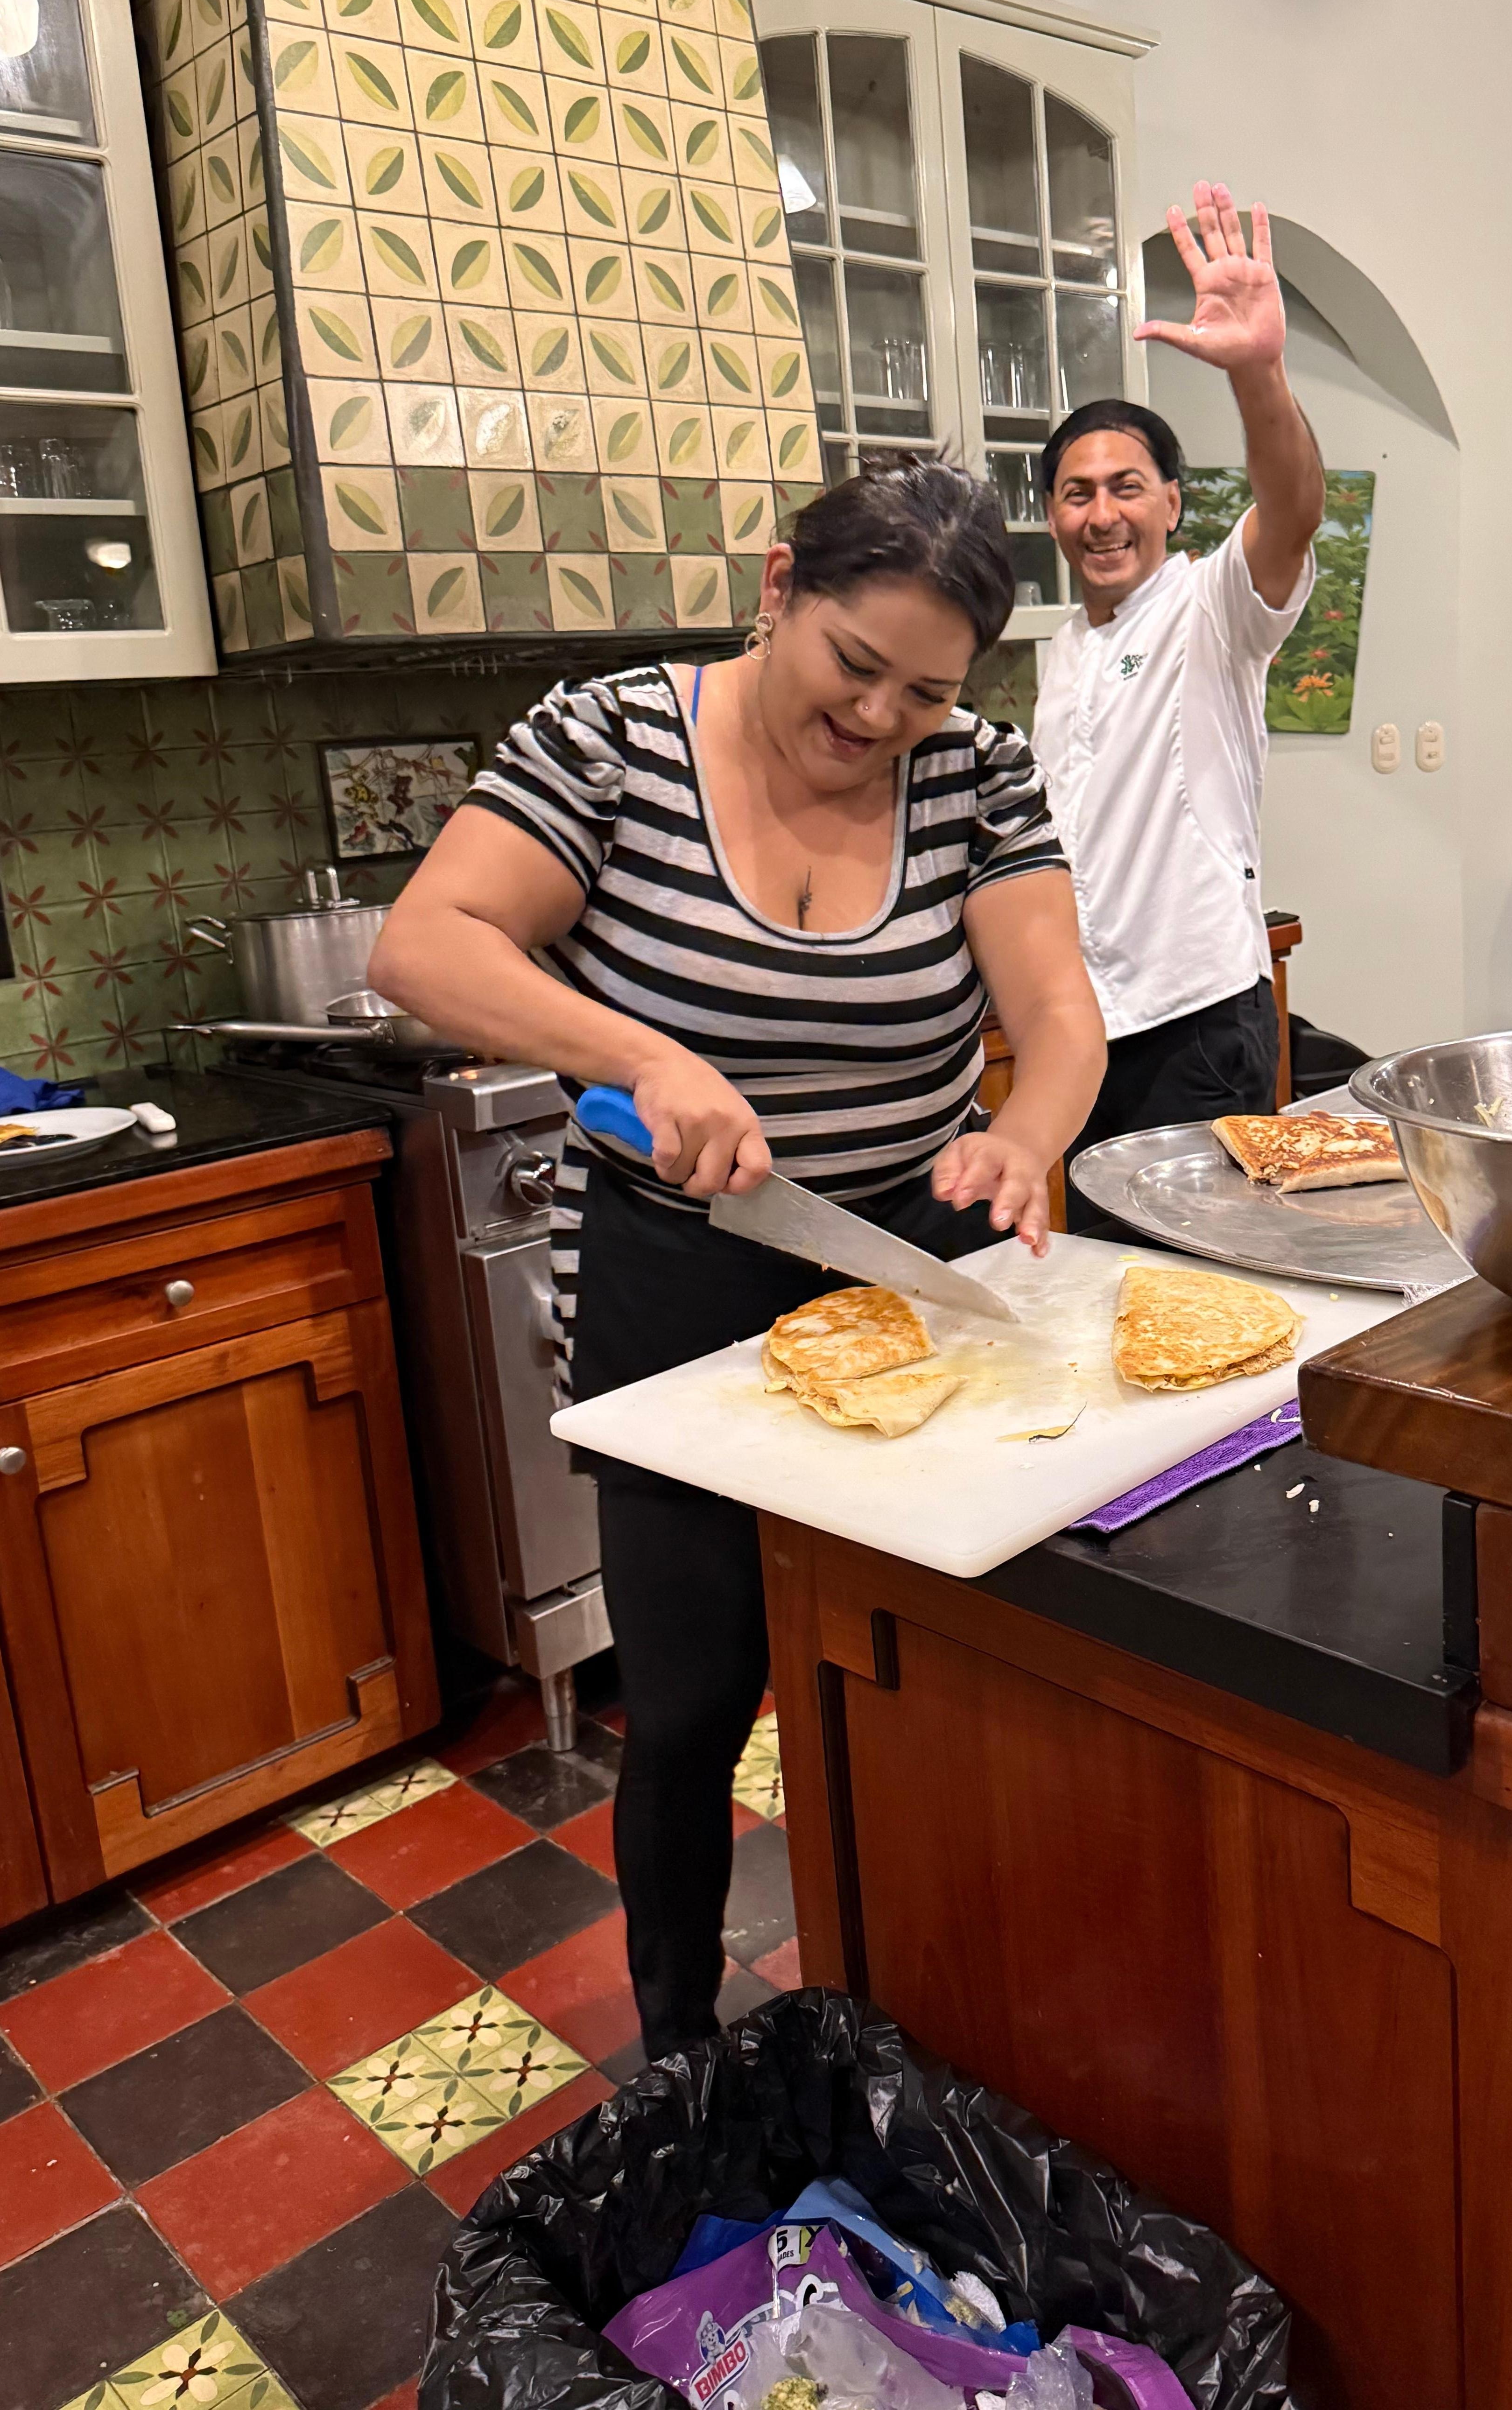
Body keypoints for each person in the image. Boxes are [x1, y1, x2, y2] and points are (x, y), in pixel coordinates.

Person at [369, 464, 1104, 2056]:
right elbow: (423, 943)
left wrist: (1027, 1134)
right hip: (678, 1276)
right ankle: (680, 2051)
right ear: (779, 588)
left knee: (919, 1672)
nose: (880, 718)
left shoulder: (974, 776)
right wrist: (641, 1053)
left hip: (900, 1266)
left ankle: (934, 2017)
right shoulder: (613, 741)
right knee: (695, 1698)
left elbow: (1055, 1014)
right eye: (855, 664)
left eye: (925, 692)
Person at [1032, 182, 1328, 1229]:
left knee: (1206, 1288)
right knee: (1107, 1283)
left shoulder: (1211, 607)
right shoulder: (1061, 653)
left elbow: (1293, 509)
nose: (1101, 513)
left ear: (1171, 501)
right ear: (1051, 515)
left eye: (1126, 487)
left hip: (1196, 1024)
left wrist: (1258, 374)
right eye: (1076, 492)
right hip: (1083, 1031)